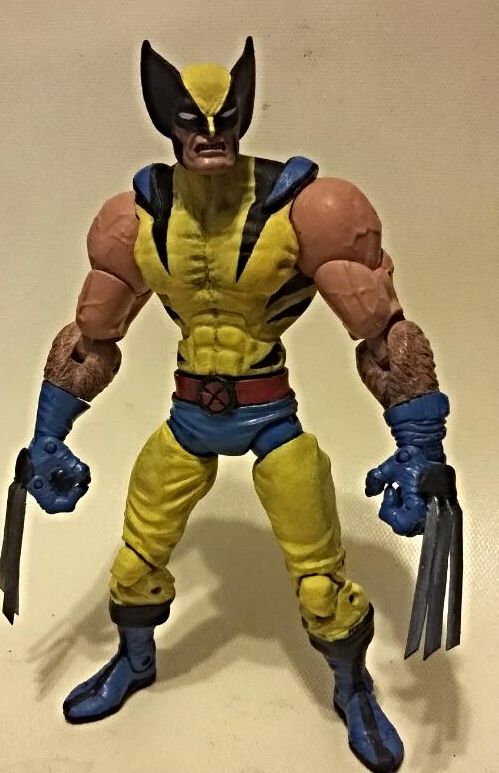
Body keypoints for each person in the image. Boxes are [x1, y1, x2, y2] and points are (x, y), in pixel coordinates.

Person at [25, 38, 451, 773]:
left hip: (271, 417)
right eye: (194, 120)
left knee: (321, 585)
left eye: (226, 118)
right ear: (167, 120)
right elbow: (92, 339)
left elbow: (384, 335)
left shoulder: (307, 209)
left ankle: (352, 687)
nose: (211, 134)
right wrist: (48, 435)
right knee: (133, 564)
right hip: (188, 417)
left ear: (245, 116)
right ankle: (135, 661)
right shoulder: (138, 219)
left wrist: (420, 448)